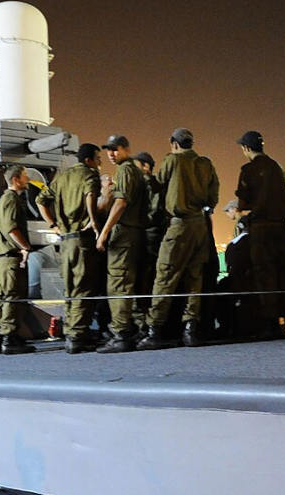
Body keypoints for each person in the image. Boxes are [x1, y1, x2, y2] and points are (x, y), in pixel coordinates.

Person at [139, 128, 219, 349]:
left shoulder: (173, 160)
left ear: (173, 143)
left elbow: (158, 183)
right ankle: (190, 329)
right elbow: (213, 197)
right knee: (195, 279)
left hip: (179, 225)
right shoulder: (205, 164)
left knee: (165, 276)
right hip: (200, 226)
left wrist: (145, 176)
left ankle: (154, 330)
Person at [37, 144, 103, 353]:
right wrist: (93, 221)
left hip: (65, 241)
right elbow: (90, 196)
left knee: (70, 287)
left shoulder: (61, 178)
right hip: (82, 240)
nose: (100, 162)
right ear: (88, 160)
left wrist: (52, 224)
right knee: (84, 288)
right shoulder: (89, 175)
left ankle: (71, 332)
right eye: (97, 158)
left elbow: (41, 200)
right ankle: (77, 336)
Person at [233, 130, 285, 338]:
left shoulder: (248, 170)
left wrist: (239, 213)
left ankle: (270, 323)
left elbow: (242, 201)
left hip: (260, 228)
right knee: (283, 272)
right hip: (281, 228)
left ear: (246, 148)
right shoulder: (276, 167)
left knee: (264, 273)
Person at [94, 135, 149, 353]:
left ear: (126, 149)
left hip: (125, 233)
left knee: (118, 284)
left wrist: (104, 232)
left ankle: (121, 334)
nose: (111, 154)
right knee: (130, 283)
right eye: (108, 150)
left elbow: (121, 201)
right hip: (135, 234)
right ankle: (136, 328)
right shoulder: (134, 170)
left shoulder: (126, 170)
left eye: (115, 149)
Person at [0, 165, 36, 355]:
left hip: (3, 259)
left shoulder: (2, 200)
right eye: (25, 177)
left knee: (4, 297)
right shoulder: (11, 200)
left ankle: (1, 336)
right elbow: (11, 228)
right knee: (12, 297)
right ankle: (9, 339)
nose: (28, 180)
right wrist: (25, 247)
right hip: (10, 258)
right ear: (16, 180)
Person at [133, 151, 167, 329]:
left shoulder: (148, 184)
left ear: (146, 167)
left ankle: (144, 323)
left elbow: (151, 214)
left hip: (148, 237)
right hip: (153, 237)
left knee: (144, 279)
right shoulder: (158, 185)